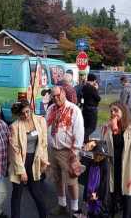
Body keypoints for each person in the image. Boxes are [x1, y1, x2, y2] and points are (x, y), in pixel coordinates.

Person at [46, 86, 85, 217]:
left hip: (68, 151)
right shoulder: (51, 109)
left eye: (58, 95)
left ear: (63, 93)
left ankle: (75, 209)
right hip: (53, 150)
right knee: (57, 179)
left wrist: (75, 153)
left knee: (71, 181)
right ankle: (62, 205)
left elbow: (79, 133)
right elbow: (46, 126)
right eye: (53, 96)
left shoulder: (74, 110)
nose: (56, 98)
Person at [102, 101, 131, 218]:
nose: (113, 113)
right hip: (114, 168)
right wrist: (111, 128)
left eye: (116, 110)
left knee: (128, 201)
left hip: (128, 170)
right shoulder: (109, 128)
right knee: (115, 198)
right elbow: (105, 148)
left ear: (124, 112)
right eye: (111, 111)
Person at [9, 100, 50, 218]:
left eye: (27, 112)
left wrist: (44, 160)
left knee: (36, 192)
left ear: (31, 108)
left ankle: (44, 216)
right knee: (17, 193)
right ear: (18, 114)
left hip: (35, 160)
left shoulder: (41, 121)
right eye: (22, 113)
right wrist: (21, 171)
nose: (26, 115)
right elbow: (15, 151)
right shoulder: (15, 126)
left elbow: (44, 143)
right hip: (21, 161)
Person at [81, 73, 101, 143]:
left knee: (85, 126)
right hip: (92, 109)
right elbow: (98, 98)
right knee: (92, 127)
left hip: (85, 108)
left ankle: (84, 140)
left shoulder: (84, 87)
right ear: (94, 80)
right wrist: (96, 89)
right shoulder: (92, 88)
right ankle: (83, 138)